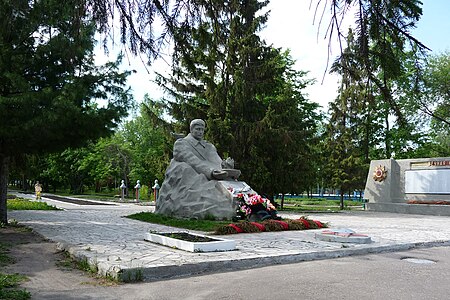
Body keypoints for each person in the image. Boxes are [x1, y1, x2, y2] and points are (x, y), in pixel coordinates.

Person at [172, 119, 240, 180]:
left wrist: (226, 166)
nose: (201, 132)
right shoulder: (181, 143)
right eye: (198, 129)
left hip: (218, 174)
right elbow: (192, 161)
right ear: (191, 130)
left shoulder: (209, 146)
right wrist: (210, 172)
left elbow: (216, 160)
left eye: (202, 130)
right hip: (200, 177)